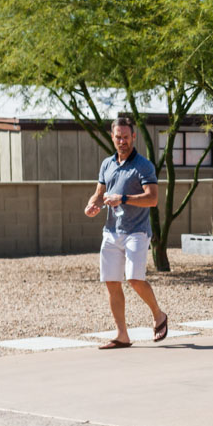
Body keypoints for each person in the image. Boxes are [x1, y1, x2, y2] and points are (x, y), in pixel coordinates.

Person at [84, 116, 168, 350]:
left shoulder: (144, 165)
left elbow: (152, 199)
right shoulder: (107, 164)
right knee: (112, 282)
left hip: (137, 232)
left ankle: (159, 315)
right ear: (112, 137)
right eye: (118, 137)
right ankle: (122, 335)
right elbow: (99, 193)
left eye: (126, 136)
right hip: (111, 232)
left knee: (134, 279)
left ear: (134, 136)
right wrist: (93, 205)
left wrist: (123, 198)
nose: (122, 141)